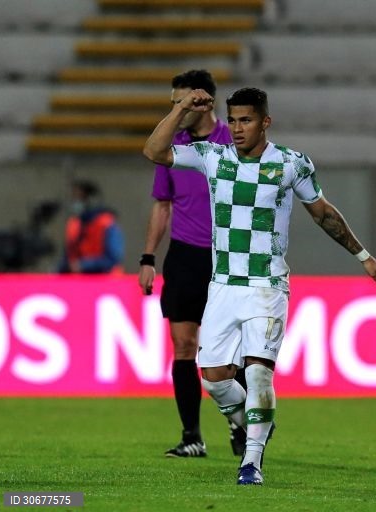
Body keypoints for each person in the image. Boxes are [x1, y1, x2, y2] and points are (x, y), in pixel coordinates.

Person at [143, 86, 376, 485]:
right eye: (233, 121)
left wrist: (363, 256)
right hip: (223, 286)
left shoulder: (292, 163)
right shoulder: (213, 157)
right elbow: (154, 151)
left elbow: (323, 213)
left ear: (265, 122)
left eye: (247, 120)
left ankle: (251, 463)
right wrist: (181, 108)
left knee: (259, 374)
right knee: (214, 379)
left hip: (267, 286)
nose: (238, 128)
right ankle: (256, 422)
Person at [137, 69, 247, 458]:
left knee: (234, 351)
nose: (178, 109)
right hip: (184, 256)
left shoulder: (233, 141)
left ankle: (239, 424)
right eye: (174, 103)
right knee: (184, 345)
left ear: (204, 102)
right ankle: (192, 437)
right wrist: (148, 257)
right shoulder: (172, 148)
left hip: (228, 257)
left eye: (184, 102)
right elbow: (162, 205)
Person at [58, 180, 124, 274]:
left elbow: (113, 259)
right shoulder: (74, 225)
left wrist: (83, 265)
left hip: (106, 279)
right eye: (74, 199)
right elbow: (68, 257)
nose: (76, 203)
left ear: (90, 200)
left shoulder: (106, 224)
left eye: (80, 199)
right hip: (80, 279)